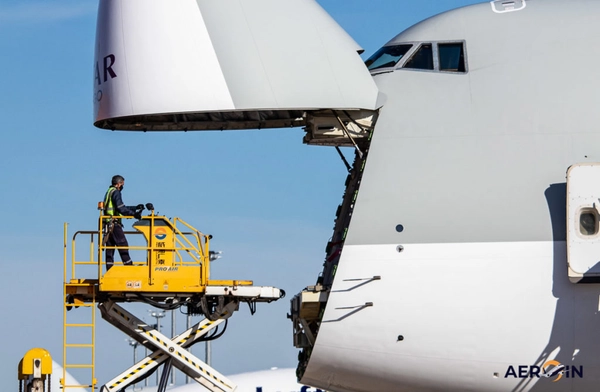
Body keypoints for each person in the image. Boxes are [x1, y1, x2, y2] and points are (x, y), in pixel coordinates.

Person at [103, 175, 143, 270]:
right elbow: (120, 208)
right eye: (122, 184)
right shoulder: (116, 192)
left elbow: (120, 207)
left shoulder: (109, 192)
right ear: (118, 184)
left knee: (110, 248)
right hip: (114, 224)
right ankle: (129, 268)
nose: (122, 187)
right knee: (122, 244)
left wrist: (134, 208)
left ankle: (110, 270)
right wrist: (134, 214)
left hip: (107, 224)